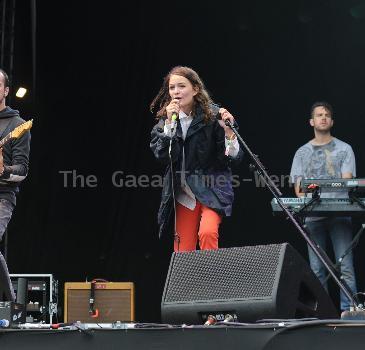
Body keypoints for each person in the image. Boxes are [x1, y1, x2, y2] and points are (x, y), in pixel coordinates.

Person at [150, 66, 243, 252]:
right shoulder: (166, 121)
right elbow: (163, 156)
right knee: (183, 248)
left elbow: (232, 159)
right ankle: (189, 281)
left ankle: (211, 280)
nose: (176, 91)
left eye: (181, 86)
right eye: (172, 87)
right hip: (185, 193)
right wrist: (170, 124)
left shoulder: (214, 116)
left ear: (195, 89)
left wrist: (229, 133)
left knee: (207, 233)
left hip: (212, 188)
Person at [290, 101, 357, 312]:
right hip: (313, 215)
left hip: (339, 214)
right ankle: (324, 313)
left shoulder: (345, 149)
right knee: (317, 269)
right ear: (311, 121)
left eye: (327, 114)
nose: (324, 117)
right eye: (319, 114)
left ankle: (351, 311)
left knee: (345, 266)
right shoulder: (302, 152)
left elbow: (346, 183)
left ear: (332, 121)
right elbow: (299, 190)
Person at [0, 69, 31, 301]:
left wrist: (3, 170)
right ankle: (11, 304)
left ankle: (11, 306)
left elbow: (22, 171)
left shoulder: (17, 125)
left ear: (6, 90)